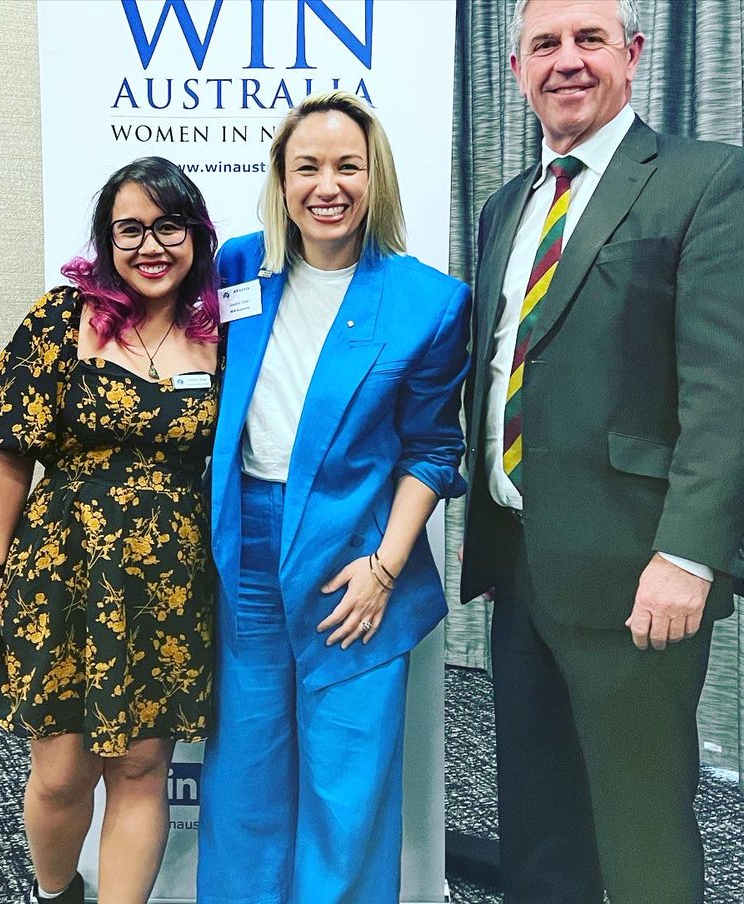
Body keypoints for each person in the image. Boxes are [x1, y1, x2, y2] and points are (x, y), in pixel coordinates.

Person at [459, 1, 744, 901]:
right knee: (540, 821)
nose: (567, 61)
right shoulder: (506, 208)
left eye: (589, 40)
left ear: (633, 55)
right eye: (545, 45)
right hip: (521, 563)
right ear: (519, 68)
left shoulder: (706, 179)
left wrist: (689, 552)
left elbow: (733, 388)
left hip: (641, 573)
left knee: (640, 824)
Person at [195, 90, 471, 904]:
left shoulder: (429, 300)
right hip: (245, 544)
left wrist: (385, 569)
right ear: (282, 182)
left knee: (346, 792)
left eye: (347, 166)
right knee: (244, 775)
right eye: (307, 166)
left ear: (373, 177)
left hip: (356, 554)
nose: (328, 185)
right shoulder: (237, 268)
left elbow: (432, 451)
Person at [0, 156, 220, 904]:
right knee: (62, 771)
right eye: (129, 229)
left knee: (142, 771)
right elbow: (12, 454)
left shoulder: (225, 331)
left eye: (168, 226)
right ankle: (56, 893)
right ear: (106, 241)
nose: (150, 245)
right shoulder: (57, 318)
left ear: (195, 235)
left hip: (168, 580)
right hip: (62, 571)